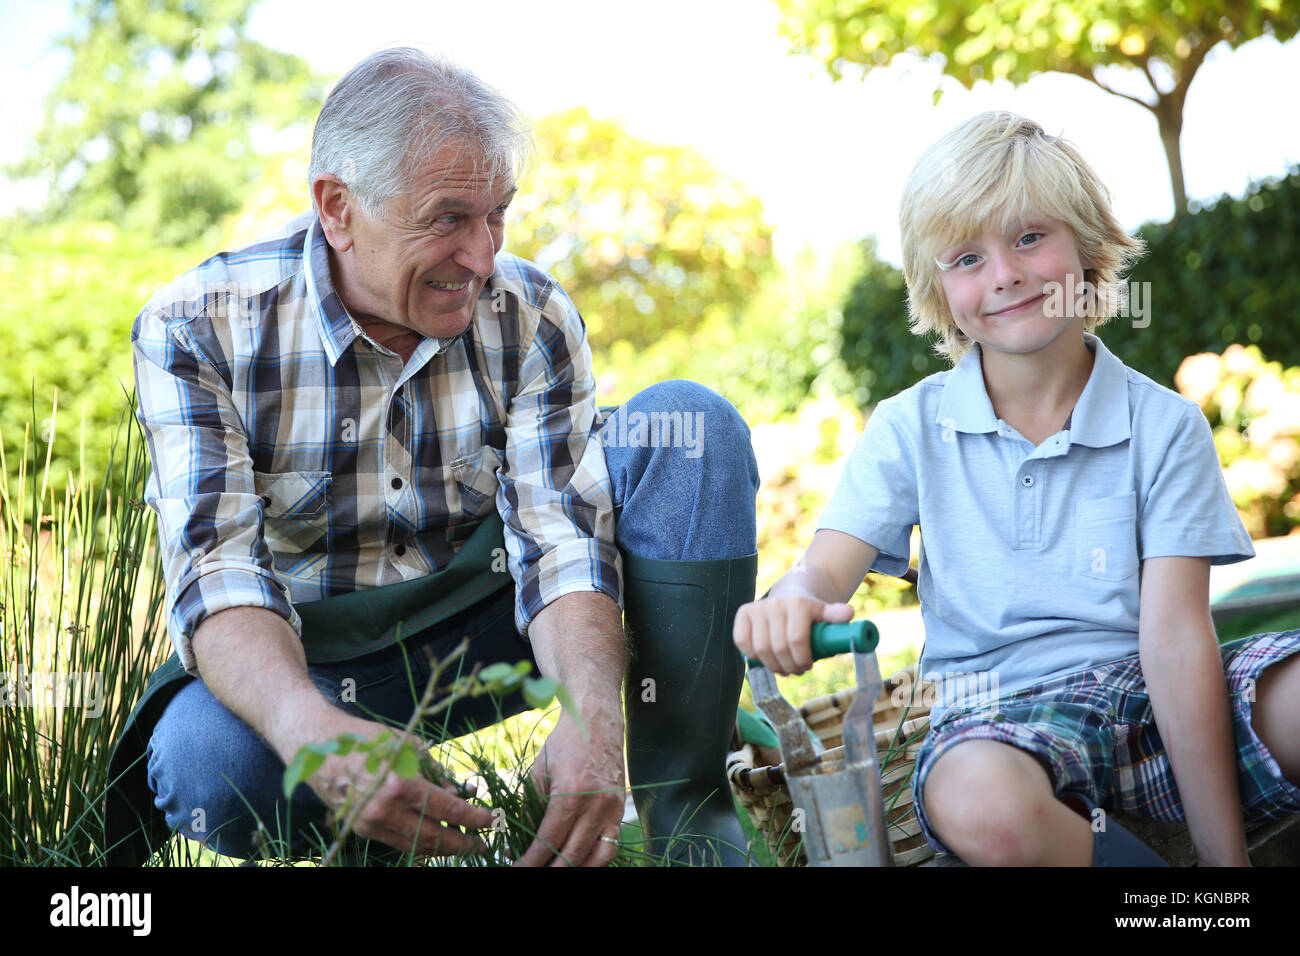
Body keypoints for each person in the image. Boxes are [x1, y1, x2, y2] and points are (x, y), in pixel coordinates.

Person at [107, 47, 760, 867]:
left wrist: (593, 725)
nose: (484, 256)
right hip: (309, 657)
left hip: (490, 618)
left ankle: (687, 821)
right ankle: (404, 815)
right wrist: (314, 733)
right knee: (213, 762)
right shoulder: (197, 327)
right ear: (338, 208)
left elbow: (560, 546)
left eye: (498, 215)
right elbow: (219, 574)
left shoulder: (530, 312)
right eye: (449, 218)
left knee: (689, 427)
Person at [733, 111, 1300, 866]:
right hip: (991, 720)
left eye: (1030, 238)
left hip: (1145, 701)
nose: (1004, 273)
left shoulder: (1164, 426)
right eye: (966, 257)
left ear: (1089, 250)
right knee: (976, 800)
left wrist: (1225, 867)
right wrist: (794, 598)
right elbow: (824, 566)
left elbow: (1172, 641)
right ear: (937, 289)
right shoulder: (910, 427)